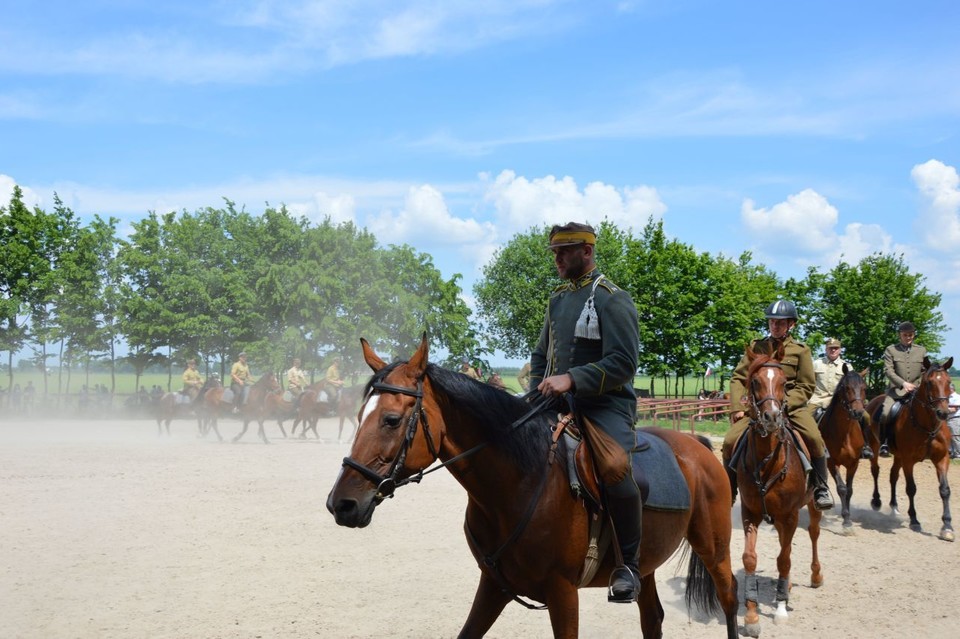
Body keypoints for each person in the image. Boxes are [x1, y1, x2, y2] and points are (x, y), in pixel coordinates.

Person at [529, 222, 642, 604]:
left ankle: (628, 565)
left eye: (564, 251)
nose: (557, 259)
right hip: (558, 403)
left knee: (614, 468)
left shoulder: (612, 299)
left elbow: (624, 364)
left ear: (587, 252)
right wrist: (535, 394)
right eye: (555, 252)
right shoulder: (557, 299)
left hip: (605, 405)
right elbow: (541, 354)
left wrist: (573, 379)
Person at [725, 300, 834, 511]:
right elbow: (738, 377)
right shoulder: (756, 347)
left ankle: (820, 488)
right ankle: (729, 489)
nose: (775, 326)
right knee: (730, 440)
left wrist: (784, 404)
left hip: (791, 408)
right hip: (759, 410)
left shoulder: (800, 351)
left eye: (780, 323)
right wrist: (737, 407)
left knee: (815, 438)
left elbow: (806, 385)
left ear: (791, 324)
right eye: (772, 322)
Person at [809, 338, 873, 459]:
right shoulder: (816, 364)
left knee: (865, 416)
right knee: (806, 416)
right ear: (826, 349)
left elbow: (853, 386)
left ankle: (865, 445)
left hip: (839, 401)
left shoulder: (847, 366)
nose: (833, 350)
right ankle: (807, 446)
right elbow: (810, 382)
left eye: (836, 348)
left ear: (840, 350)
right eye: (830, 348)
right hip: (818, 399)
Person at [878, 321, 927, 457]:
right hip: (896, 392)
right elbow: (888, 371)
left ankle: (933, 443)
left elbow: (925, 370)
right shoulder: (891, 350)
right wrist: (903, 383)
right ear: (900, 335)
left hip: (917, 391)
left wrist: (919, 385)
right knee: (885, 413)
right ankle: (885, 443)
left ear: (914, 335)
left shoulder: (921, 350)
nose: (908, 337)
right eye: (905, 335)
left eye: (910, 335)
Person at [947, 383, 960, 460]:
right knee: (948, 437)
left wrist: (943, 410)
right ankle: (951, 452)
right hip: (947, 419)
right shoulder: (947, 397)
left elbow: (954, 409)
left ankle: (958, 453)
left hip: (954, 419)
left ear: (951, 389)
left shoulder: (957, 397)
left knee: (955, 436)